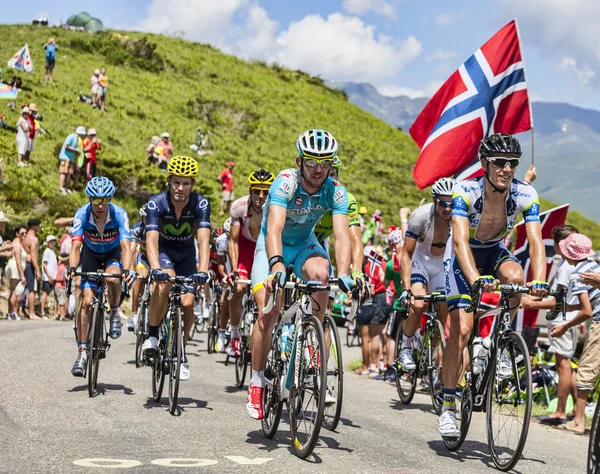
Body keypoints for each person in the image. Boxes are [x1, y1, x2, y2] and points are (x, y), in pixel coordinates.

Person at [440, 133, 549, 439]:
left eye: (512, 163)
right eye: (500, 162)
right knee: (461, 330)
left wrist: (539, 280)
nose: (507, 169)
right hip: (464, 255)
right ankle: (449, 404)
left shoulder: (526, 193)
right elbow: (460, 241)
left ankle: (497, 343)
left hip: (494, 251)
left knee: (515, 279)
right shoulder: (466, 190)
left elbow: (536, 242)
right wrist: (475, 280)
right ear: (484, 163)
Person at [247, 129, 356, 419]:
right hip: (274, 245)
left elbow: (342, 236)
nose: (318, 169)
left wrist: (344, 273)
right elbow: (274, 229)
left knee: (322, 274)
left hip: (306, 243)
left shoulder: (336, 191)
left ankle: (313, 340)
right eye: (311, 162)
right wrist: (277, 265)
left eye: (325, 163)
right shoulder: (285, 184)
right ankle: (257, 381)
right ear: (299, 162)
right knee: (267, 314)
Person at [141, 156, 211, 382]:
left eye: (186, 183)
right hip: (165, 252)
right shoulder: (156, 203)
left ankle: (180, 350)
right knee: (165, 282)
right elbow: (151, 240)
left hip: (187, 255)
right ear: (169, 181)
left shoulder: (200, 204)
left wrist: (203, 270)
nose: (180, 188)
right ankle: (152, 335)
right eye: (176, 183)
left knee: (188, 303)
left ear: (193, 184)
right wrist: (154, 268)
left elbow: (203, 240)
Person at [69, 177, 134, 376]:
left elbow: (125, 247)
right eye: (95, 200)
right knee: (87, 302)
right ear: (89, 199)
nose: (99, 205)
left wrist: (127, 270)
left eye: (104, 200)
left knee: (113, 278)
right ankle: (81, 353)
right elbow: (75, 246)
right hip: (91, 255)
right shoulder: (81, 213)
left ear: (110, 199)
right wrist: (72, 268)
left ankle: (114, 311)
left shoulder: (119, 214)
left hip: (113, 254)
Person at [544, 233, 600, 434]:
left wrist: (565, 326)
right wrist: (567, 307)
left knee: (586, 370)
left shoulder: (577, 274)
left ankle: (578, 421)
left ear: (568, 254)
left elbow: (587, 311)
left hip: (599, 324)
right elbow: (589, 302)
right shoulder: (594, 267)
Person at [524, 225, 580, 426]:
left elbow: (560, 301)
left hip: (562, 319)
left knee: (563, 365)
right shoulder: (574, 264)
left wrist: (532, 303)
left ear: (559, 245)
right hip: (572, 318)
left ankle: (559, 412)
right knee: (569, 365)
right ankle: (575, 409)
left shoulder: (565, 267)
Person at [398, 178, 454, 371]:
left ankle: (432, 345)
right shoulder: (421, 217)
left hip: (441, 265)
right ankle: (405, 345)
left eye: (451, 203)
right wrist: (406, 289)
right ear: (435, 200)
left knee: (444, 308)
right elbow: (406, 254)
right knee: (418, 304)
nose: (447, 208)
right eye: (443, 203)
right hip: (420, 262)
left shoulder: (459, 218)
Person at [222, 169, 275, 356]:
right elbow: (232, 241)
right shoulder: (239, 206)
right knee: (238, 288)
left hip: (266, 248)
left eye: (266, 192)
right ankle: (235, 333)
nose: (261, 196)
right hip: (245, 247)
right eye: (257, 191)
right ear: (250, 190)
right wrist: (235, 269)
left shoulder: (277, 207)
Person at [127, 205, 149, 332]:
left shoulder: (161, 228)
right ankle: (134, 314)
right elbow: (131, 250)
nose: (148, 221)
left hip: (157, 257)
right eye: (146, 218)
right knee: (140, 279)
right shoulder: (137, 229)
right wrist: (130, 269)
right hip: (143, 256)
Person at [214, 218, 232, 353]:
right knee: (225, 301)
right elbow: (220, 263)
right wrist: (225, 276)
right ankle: (221, 333)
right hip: (228, 271)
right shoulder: (221, 241)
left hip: (245, 271)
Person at [6, 226, 27, 320]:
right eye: (22, 233)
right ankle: (12, 312)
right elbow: (18, 261)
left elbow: (9, 254)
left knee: (14, 291)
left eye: (25, 233)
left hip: (14, 268)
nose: (24, 235)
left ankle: (12, 312)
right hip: (15, 268)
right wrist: (22, 275)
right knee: (14, 291)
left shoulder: (17, 243)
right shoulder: (17, 244)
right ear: (17, 234)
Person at [23, 219, 41, 319]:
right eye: (38, 225)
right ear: (34, 226)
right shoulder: (33, 239)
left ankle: (25, 311)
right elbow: (33, 255)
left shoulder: (25, 238)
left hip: (25, 263)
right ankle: (31, 313)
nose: (39, 227)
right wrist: (38, 270)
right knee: (32, 289)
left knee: (27, 288)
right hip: (30, 264)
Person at [59, 126, 85, 194]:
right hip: (65, 157)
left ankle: (66, 188)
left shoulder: (77, 139)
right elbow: (66, 146)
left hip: (71, 158)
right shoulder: (71, 137)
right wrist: (75, 149)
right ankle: (61, 188)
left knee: (69, 173)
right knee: (63, 172)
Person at [40, 235, 58, 319]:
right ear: (47, 243)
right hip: (48, 277)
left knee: (48, 293)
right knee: (45, 292)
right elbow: (44, 264)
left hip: (52, 277)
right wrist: (49, 275)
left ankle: (44, 311)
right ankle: (41, 311)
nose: (52, 243)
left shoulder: (52, 251)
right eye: (51, 241)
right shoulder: (47, 251)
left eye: (53, 241)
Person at [55, 253, 69, 320]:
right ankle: (62, 315)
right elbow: (60, 277)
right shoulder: (63, 268)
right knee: (61, 300)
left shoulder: (58, 266)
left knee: (56, 300)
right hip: (61, 285)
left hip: (56, 285)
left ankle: (56, 314)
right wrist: (66, 279)